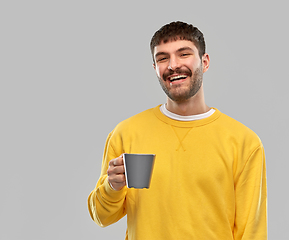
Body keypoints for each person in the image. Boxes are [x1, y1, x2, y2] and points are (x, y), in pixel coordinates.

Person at [88, 21, 267, 240]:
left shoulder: (243, 142)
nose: (173, 65)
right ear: (155, 68)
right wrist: (112, 187)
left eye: (184, 54)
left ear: (205, 61)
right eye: (162, 58)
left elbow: (252, 231)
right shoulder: (126, 133)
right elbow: (101, 216)